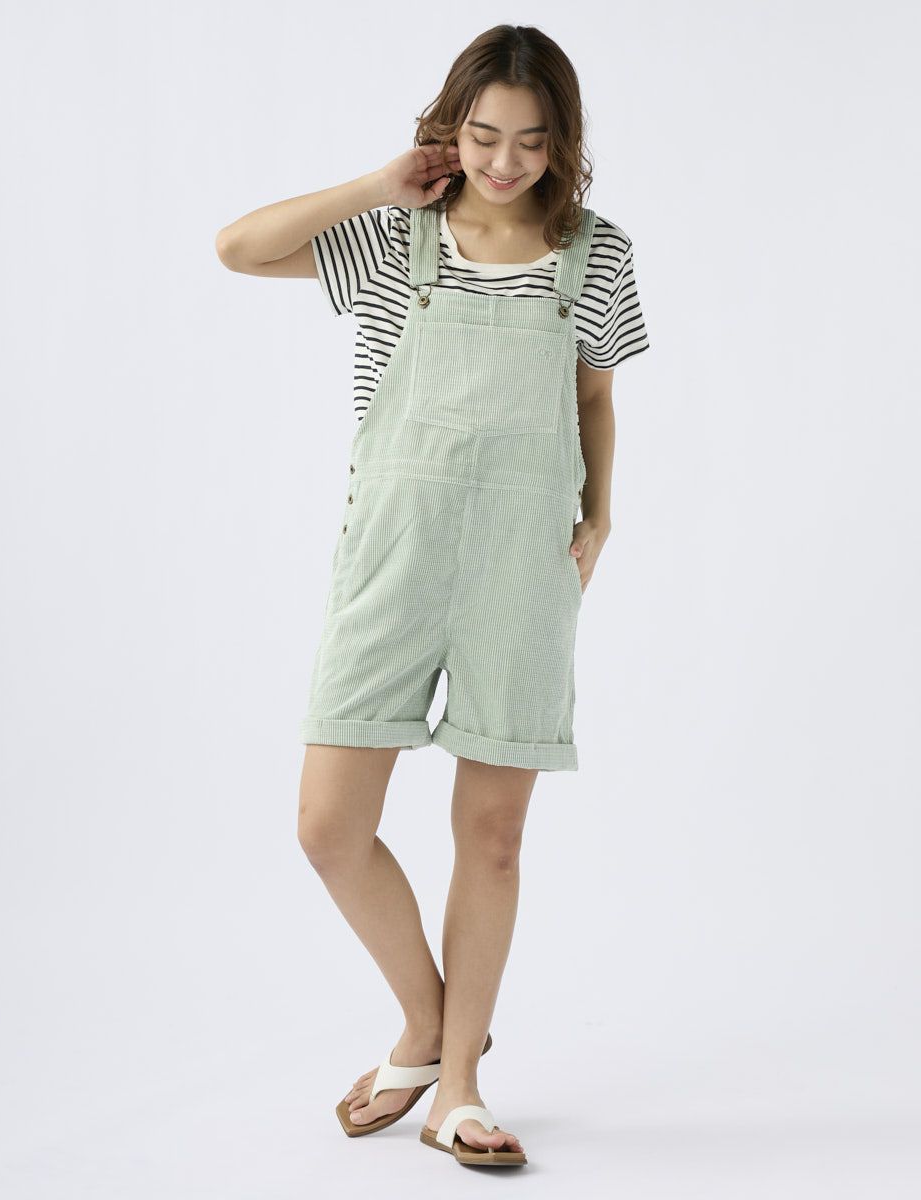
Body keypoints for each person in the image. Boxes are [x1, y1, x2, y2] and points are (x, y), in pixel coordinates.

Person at [215, 23, 649, 1168]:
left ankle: (458, 1086)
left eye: (531, 141)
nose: (505, 162)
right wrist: (376, 183)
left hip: (523, 562)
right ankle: (425, 1021)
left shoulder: (596, 253)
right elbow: (238, 249)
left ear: (563, 142)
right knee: (328, 827)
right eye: (484, 135)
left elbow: (592, 394)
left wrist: (600, 513)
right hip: (392, 553)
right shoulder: (394, 235)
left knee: (491, 838)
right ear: (450, 131)